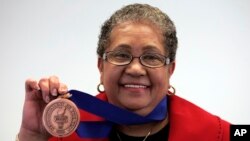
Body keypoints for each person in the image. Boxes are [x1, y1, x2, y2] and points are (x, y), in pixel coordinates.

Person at [17, 3, 230, 141]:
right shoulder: (64, 130)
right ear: (101, 67)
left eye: (151, 57)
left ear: (170, 70)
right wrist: (32, 137)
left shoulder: (220, 134)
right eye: (121, 54)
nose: (136, 69)